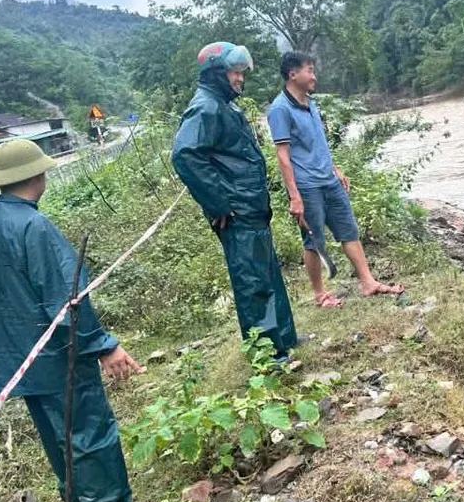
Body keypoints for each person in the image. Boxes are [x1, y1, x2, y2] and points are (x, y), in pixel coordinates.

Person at [0, 140, 151, 502]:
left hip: (16, 358)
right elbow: (67, 299)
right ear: (37, 175)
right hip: (55, 355)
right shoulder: (35, 227)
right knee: (88, 431)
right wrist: (103, 345)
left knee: (56, 435)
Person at [172, 42, 299, 357]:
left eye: (242, 72)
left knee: (268, 274)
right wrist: (217, 202)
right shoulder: (206, 107)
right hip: (237, 211)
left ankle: (285, 340)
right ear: (216, 72)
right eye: (235, 72)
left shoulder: (225, 104)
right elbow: (185, 155)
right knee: (252, 283)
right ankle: (268, 356)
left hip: (251, 207)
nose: (240, 78)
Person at [268, 51, 404, 308]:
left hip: (329, 180)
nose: (314, 76)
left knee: (348, 230)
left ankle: (368, 282)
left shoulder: (311, 103)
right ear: (293, 74)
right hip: (306, 186)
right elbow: (283, 156)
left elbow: (317, 143)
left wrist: (335, 168)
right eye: (309, 70)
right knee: (314, 241)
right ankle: (320, 294)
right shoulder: (280, 109)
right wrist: (295, 197)